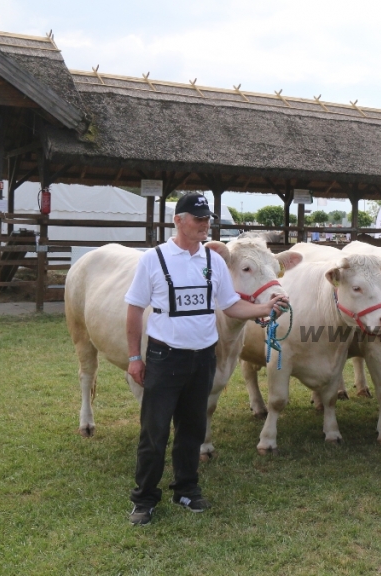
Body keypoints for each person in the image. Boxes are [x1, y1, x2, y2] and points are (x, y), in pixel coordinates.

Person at [124, 193, 288, 526]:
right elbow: (134, 309)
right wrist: (133, 357)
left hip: (203, 359)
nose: (204, 224)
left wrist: (264, 309)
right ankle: (144, 499)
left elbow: (230, 305)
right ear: (178, 220)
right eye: (197, 219)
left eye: (207, 219)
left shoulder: (214, 262)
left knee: (193, 430)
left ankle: (186, 489)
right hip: (164, 356)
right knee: (154, 432)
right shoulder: (153, 259)